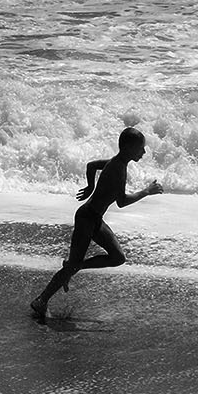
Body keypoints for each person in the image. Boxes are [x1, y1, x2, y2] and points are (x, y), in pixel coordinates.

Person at [30, 126, 162, 318]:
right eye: (140, 147)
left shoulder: (117, 162)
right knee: (75, 264)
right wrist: (146, 192)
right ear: (128, 148)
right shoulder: (117, 168)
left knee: (117, 258)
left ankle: (74, 267)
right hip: (86, 219)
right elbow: (122, 202)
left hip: (94, 218)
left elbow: (91, 166)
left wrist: (91, 186)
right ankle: (41, 300)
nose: (143, 152)